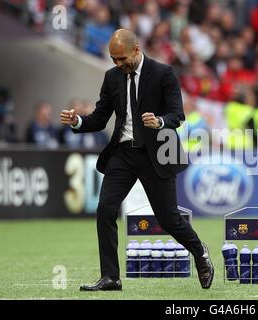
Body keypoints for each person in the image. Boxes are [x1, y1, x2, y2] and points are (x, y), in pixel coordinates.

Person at [60, 29, 214, 291]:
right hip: (123, 153)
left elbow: (178, 114)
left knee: (167, 218)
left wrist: (160, 122)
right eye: (113, 59)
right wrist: (78, 121)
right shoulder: (112, 77)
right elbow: (99, 118)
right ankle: (111, 277)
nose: (117, 64)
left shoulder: (163, 73)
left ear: (135, 50)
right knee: (106, 209)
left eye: (121, 59)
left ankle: (199, 252)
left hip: (158, 152)